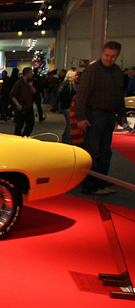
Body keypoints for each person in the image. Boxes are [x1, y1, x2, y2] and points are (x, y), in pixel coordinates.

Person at [74, 41, 126, 195]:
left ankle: (101, 183)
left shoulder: (117, 71)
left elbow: (119, 95)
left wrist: (122, 114)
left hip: (109, 115)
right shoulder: (92, 71)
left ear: (117, 56)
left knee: (105, 152)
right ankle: (90, 186)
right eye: (107, 55)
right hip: (94, 115)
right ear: (102, 53)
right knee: (93, 151)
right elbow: (81, 95)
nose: (109, 59)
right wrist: (81, 117)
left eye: (113, 56)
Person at [10, 67, 35, 137]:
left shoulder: (30, 83)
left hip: (29, 107)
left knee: (30, 124)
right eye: (31, 73)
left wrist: (31, 86)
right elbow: (13, 95)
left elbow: (34, 92)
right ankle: (18, 138)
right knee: (19, 125)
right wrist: (18, 105)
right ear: (27, 74)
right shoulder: (19, 83)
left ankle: (25, 136)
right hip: (21, 108)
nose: (32, 74)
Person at [58, 69, 77, 144]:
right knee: (70, 123)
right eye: (76, 75)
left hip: (65, 106)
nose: (77, 76)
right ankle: (68, 138)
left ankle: (66, 137)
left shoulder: (65, 84)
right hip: (67, 106)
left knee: (69, 123)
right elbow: (65, 97)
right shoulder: (69, 86)